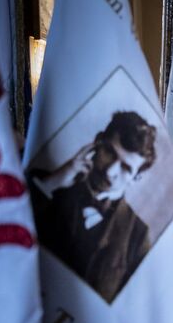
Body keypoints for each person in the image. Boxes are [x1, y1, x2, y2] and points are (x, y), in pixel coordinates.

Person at [31, 111, 156, 302]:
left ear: (136, 178)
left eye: (125, 168)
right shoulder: (44, 185)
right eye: (109, 153)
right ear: (97, 142)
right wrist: (52, 184)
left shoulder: (138, 235)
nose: (110, 171)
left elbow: (134, 305)